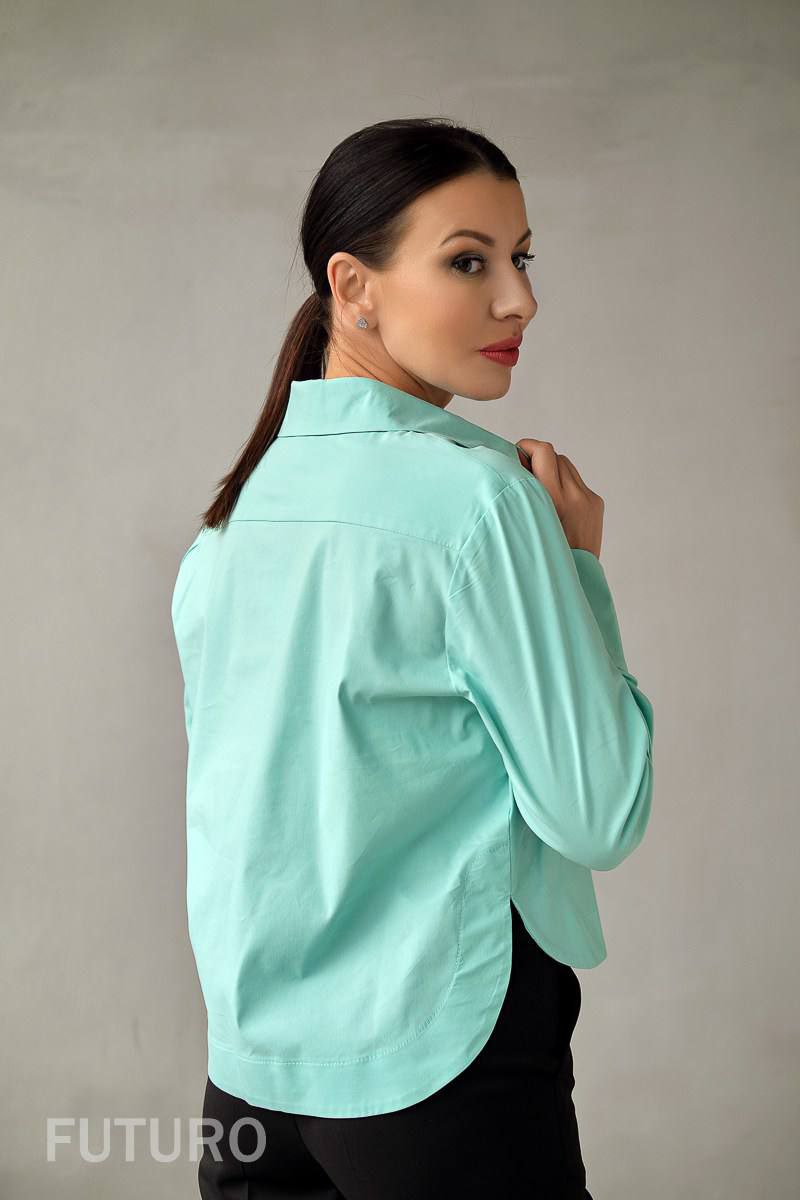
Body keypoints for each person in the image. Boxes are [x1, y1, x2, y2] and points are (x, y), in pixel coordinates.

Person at [171, 116, 655, 1199]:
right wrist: (579, 569)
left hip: (253, 1084)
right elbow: (597, 813)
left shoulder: (230, 521)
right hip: (438, 1062)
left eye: (520, 257)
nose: (519, 299)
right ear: (353, 287)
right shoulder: (482, 503)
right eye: (468, 262)